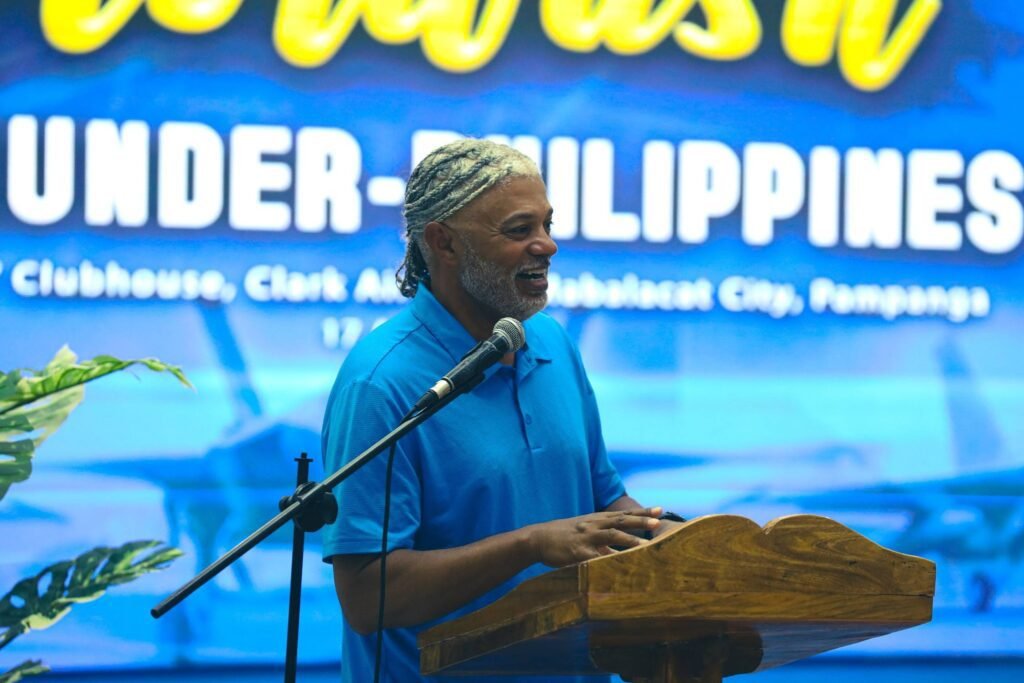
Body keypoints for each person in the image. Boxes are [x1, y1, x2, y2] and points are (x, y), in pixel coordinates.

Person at [321, 139, 665, 682]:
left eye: (548, 224)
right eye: (519, 229)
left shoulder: (552, 342)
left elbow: (604, 501)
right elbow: (366, 598)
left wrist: (668, 537)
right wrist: (531, 545)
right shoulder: (381, 382)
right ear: (444, 243)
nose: (547, 245)